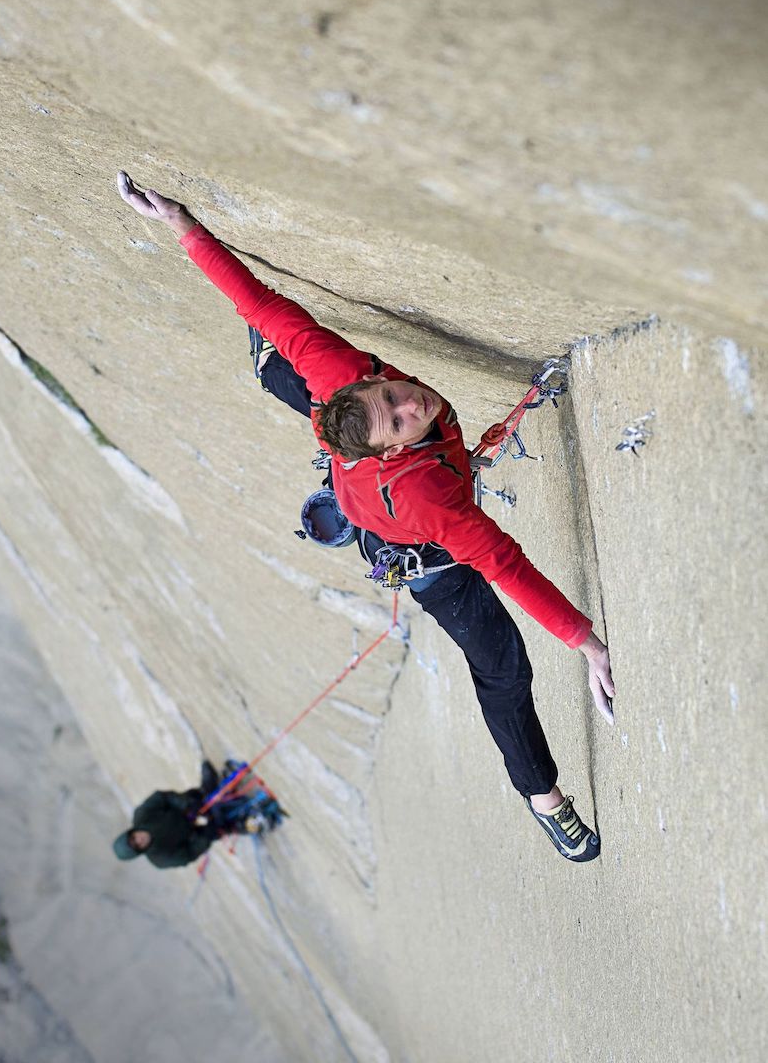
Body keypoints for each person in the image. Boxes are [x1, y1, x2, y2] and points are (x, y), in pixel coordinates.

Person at [116, 171, 615, 863]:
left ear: (364, 381)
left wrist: (182, 226)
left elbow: (263, 306)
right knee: (502, 671)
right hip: (427, 560)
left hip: (365, 478)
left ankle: (277, 382)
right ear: (388, 447)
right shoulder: (429, 500)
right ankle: (542, 799)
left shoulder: (340, 377)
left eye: (394, 394)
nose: (414, 402)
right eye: (401, 420)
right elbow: (501, 563)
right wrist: (584, 641)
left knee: (286, 357)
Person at [113, 760, 283, 869]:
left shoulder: (142, 815)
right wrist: (204, 836)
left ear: (131, 832)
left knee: (204, 797)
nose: (139, 840)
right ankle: (251, 822)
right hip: (201, 831)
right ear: (141, 851)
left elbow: (162, 797)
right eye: (137, 845)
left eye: (133, 838)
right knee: (224, 825)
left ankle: (208, 788)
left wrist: (187, 804)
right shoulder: (161, 858)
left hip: (191, 805)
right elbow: (188, 854)